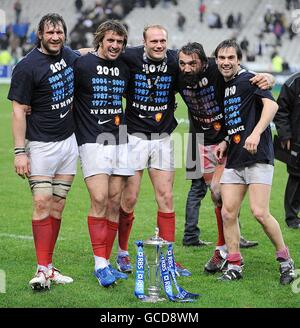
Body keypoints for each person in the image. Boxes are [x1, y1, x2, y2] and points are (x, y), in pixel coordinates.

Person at [8, 13, 81, 290]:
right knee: (41, 203)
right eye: (49, 33)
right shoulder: (27, 66)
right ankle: (41, 269)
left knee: (58, 205)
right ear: (40, 34)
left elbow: (86, 55)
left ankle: (49, 267)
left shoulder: (70, 56)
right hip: (40, 145)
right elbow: (18, 110)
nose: (55, 37)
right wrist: (19, 152)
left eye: (59, 32)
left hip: (67, 143)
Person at [214, 39, 295, 284]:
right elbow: (236, 120)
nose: (226, 62)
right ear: (216, 60)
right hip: (235, 157)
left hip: (257, 155)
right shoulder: (224, 85)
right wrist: (227, 141)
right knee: (228, 213)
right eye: (222, 58)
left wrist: (257, 132)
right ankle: (235, 264)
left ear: (238, 60)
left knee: (260, 212)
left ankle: (286, 262)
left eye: (231, 58)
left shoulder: (249, 79)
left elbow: (271, 106)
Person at [178, 43, 262, 265]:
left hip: (226, 141)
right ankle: (220, 244)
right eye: (183, 63)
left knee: (217, 190)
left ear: (205, 62)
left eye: (192, 63)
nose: (186, 68)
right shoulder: (177, 70)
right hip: (201, 141)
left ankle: (221, 248)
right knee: (215, 196)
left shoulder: (217, 69)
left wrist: (266, 78)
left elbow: (242, 74)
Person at [117, 25, 191, 276]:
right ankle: (123, 253)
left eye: (163, 40)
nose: (159, 45)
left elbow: (205, 62)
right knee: (129, 199)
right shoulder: (129, 56)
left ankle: (168, 258)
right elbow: (94, 53)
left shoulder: (174, 59)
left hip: (162, 138)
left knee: (166, 197)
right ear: (144, 42)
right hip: (133, 137)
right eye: (154, 41)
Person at [73, 20, 133, 288]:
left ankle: (106, 262)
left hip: (119, 139)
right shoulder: (81, 64)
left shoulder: (124, 66)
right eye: (110, 40)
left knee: (113, 203)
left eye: (120, 42)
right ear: (100, 40)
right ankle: (99, 264)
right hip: (91, 139)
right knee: (98, 199)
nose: (115, 46)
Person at [274, 72, 300, 229]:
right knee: (296, 177)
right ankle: (291, 217)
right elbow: (280, 110)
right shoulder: (293, 82)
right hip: (296, 141)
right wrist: (285, 135)